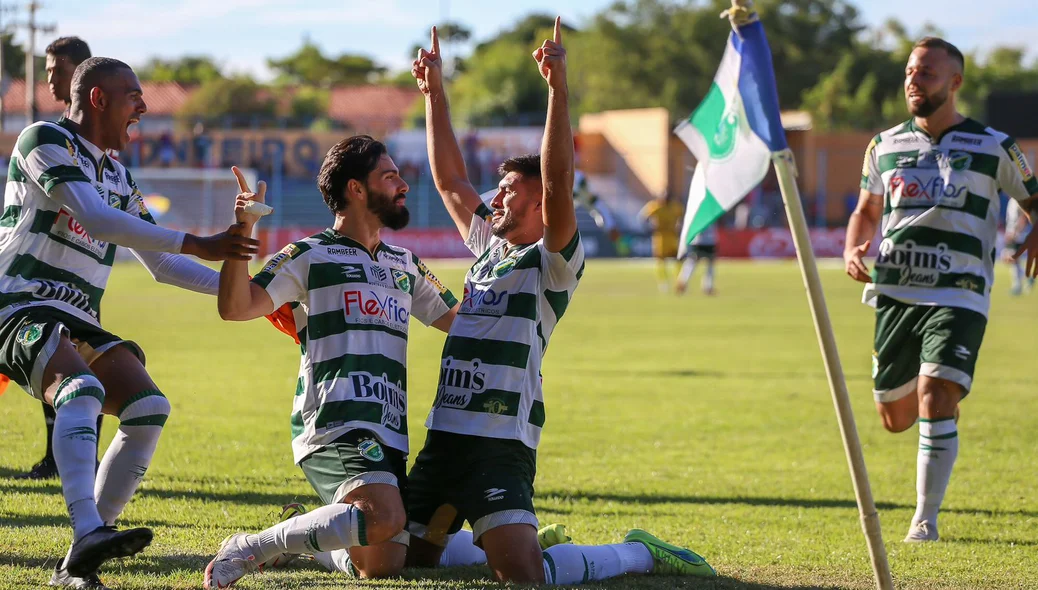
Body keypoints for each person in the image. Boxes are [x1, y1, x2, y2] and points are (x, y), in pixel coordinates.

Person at [405, 21, 715, 584]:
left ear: (540, 207)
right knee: (407, 562)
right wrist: (435, 95)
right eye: (497, 189)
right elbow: (450, 180)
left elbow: (557, 181)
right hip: (444, 434)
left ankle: (638, 552)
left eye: (508, 190)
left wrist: (557, 89)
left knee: (523, 576)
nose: (494, 196)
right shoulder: (489, 247)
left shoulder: (550, 263)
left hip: (501, 441)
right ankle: (506, 533)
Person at [0, 56, 259, 585]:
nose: (142, 106)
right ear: (97, 99)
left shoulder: (117, 174)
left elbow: (162, 264)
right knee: (82, 392)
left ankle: (80, 559)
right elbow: (96, 219)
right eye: (133, 95)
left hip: (77, 316)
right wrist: (200, 241)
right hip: (17, 303)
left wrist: (259, 294)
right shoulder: (43, 139)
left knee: (149, 407)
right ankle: (89, 529)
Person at [202, 136, 461, 588]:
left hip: (390, 427)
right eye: (390, 176)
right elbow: (235, 306)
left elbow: (463, 324)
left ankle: (306, 529)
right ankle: (251, 547)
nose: (403, 184)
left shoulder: (406, 264)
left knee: (381, 564)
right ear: (356, 189)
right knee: (382, 517)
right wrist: (243, 228)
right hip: (333, 421)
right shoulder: (309, 255)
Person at [844, 37, 1038, 543]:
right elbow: (865, 210)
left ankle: (923, 519)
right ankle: (944, 392)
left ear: (954, 82)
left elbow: (1035, 199)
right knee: (894, 417)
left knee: (934, 394)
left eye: (927, 72)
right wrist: (851, 248)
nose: (914, 79)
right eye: (910, 70)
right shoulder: (883, 145)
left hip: (960, 291)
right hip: (895, 295)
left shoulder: (994, 144)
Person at [12, 36, 97, 482]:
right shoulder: (46, 138)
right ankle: (65, 459)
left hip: (69, 287)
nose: (49, 79)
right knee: (66, 372)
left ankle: (71, 461)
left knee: (80, 371)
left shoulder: (99, 155)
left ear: (82, 74)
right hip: (27, 286)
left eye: (56, 70)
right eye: (46, 71)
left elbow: (97, 219)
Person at [639, 194, 684, 292]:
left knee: (679, 259)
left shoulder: (675, 207)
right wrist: (649, 228)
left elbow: (683, 216)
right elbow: (643, 217)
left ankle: (680, 281)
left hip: (672, 237)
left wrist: (680, 226)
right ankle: (663, 283)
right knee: (660, 262)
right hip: (661, 238)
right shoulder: (655, 206)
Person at [675, 221, 718, 295]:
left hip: (708, 240)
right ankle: (682, 283)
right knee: (692, 261)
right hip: (700, 239)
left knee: (708, 263)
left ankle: (708, 286)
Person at [1004, 198, 1035, 295]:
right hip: (1012, 233)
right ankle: (1025, 279)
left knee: (1011, 258)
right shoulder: (1012, 201)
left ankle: (1018, 285)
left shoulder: (1018, 200)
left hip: (1018, 235)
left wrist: (1016, 231)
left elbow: (1023, 218)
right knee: (1012, 259)